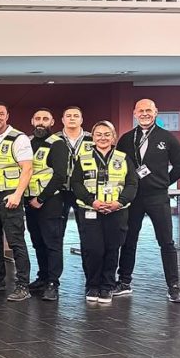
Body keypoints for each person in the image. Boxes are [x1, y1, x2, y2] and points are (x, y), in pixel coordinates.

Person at [116, 99, 180, 303]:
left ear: (155, 113)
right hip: (134, 197)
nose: (145, 113)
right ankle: (124, 281)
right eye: (141, 111)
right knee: (128, 240)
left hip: (157, 197)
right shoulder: (127, 139)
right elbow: (120, 165)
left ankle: (173, 286)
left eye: (149, 110)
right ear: (135, 113)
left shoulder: (167, 138)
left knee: (166, 241)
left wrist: (163, 182)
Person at [71, 121, 138, 304]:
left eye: (107, 134)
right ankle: (92, 285)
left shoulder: (123, 158)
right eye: (98, 134)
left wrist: (119, 202)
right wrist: (92, 201)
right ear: (93, 137)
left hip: (116, 211)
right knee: (93, 249)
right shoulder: (83, 158)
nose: (103, 138)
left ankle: (107, 286)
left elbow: (132, 184)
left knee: (111, 249)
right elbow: (75, 184)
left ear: (113, 137)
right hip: (90, 210)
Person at [0, 104, 33, 300]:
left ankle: (23, 285)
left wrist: (18, 195)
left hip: (10, 196)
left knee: (16, 241)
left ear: (7, 116)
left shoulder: (18, 138)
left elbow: (27, 169)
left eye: (0, 114)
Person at [24, 108, 70, 302]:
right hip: (29, 199)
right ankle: (42, 277)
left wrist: (41, 198)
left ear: (52, 122)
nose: (41, 122)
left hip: (49, 201)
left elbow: (60, 175)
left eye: (45, 119)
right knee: (37, 242)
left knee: (52, 243)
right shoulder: (26, 142)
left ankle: (53, 283)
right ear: (32, 121)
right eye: (37, 118)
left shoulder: (57, 144)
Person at [59, 107, 93, 222]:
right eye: (68, 116)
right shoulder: (53, 140)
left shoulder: (93, 139)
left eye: (76, 116)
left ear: (81, 120)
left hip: (85, 189)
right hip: (60, 189)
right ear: (63, 120)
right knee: (56, 230)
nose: (72, 118)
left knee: (87, 227)